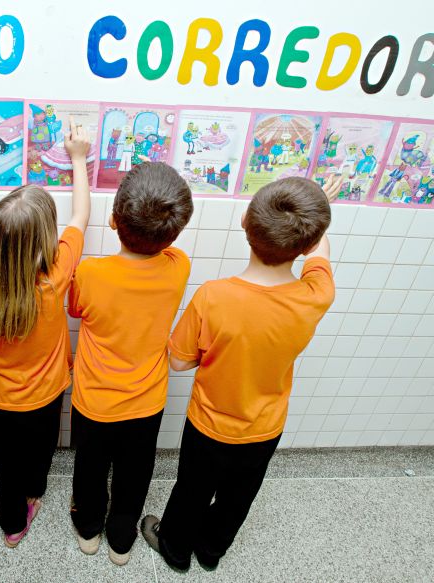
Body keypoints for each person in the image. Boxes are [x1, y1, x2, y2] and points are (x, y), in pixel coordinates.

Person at [141, 175, 342, 572]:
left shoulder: (213, 297)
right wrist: (317, 209)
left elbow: (179, 361)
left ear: (245, 222)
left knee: (192, 489)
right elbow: (321, 253)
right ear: (306, 244)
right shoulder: (316, 293)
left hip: (210, 425)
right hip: (265, 427)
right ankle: (212, 550)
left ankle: (176, 549)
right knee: (239, 495)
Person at [68, 162, 194, 565]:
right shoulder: (178, 267)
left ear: (113, 220)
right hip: (146, 403)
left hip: (93, 401)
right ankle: (121, 541)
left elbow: (76, 309)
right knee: (134, 476)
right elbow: (166, 243)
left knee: (89, 469)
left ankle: (88, 531)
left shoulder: (90, 272)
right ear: (175, 231)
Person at [0, 118, 91, 548]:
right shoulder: (58, 274)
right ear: (45, 237)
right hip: (47, 395)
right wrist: (78, 158)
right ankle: (36, 493)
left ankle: (13, 527)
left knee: (4, 466)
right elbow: (81, 214)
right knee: (41, 453)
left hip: (1, 401)